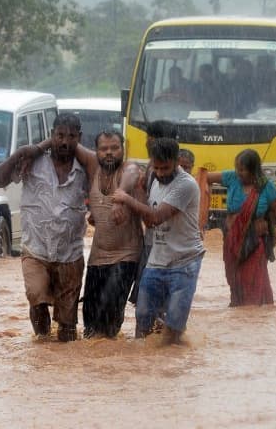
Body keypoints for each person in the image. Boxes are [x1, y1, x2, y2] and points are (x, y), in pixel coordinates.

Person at [0, 113, 92, 342]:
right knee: (36, 297)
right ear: (51, 135)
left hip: (71, 254)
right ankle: (42, 347)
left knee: (67, 325)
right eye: (59, 135)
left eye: (71, 136)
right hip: (36, 251)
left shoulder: (86, 167)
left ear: (80, 138)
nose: (64, 142)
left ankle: (60, 369)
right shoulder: (31, 161)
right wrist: (23, 152)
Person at [112, 137, 205, 345]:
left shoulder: (186, 185)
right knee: (143, 316)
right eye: (157, 167)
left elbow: (155, 217)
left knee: (173, 326)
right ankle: (144, 365)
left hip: (185, 262)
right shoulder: (152, 176)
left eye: (166, 168)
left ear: (177, 162)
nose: (161, 173)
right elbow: (148, 215)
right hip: (157, 261)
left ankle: (170, 364)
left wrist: (126, 200)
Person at [205, 149, 276, 306]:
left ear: (253, 170)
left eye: (242, 169)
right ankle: (240, 321)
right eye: (237, 168)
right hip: (232, 244)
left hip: (255, 245)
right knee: (235, 284)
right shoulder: (231, 178)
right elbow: (203, 178)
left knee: (252, 284)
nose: (239, 173)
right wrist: (204, 207)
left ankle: (253, 321)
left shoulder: (266, 187)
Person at [82, 131, 142, 338]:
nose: (109, 153)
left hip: (126, 256)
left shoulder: (128, 170)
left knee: (109, 314)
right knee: (89, 320)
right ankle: (95, 366)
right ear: (96, 151)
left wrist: (120, 198)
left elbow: (134, 171)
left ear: (123, 149)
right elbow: (72, 146)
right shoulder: (93, 168)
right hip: (97, 257)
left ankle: (110, 361)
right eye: (104, 149)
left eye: (115, 148)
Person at [128, 120, 179, 306]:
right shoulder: (153, 169)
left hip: (165, 247)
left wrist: (133, 197)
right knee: (148, 302)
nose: (146, 144)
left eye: (149, 140)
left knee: (153, 301)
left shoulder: (174, 176)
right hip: (154, 242)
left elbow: (152, 219)